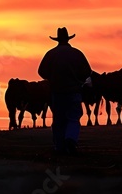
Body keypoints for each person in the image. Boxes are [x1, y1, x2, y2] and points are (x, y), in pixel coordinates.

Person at [37, 26, 92, 154]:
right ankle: (71, 139)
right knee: (73, 118)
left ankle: (59, 146)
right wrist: (78, 79)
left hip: (57, 92)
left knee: (59, 120)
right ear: (68, 39)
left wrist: (52, 78)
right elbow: (87, 71)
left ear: (57, 39)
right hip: (74, 92)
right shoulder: (77, 54)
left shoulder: (51, 54)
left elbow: (41, 71)